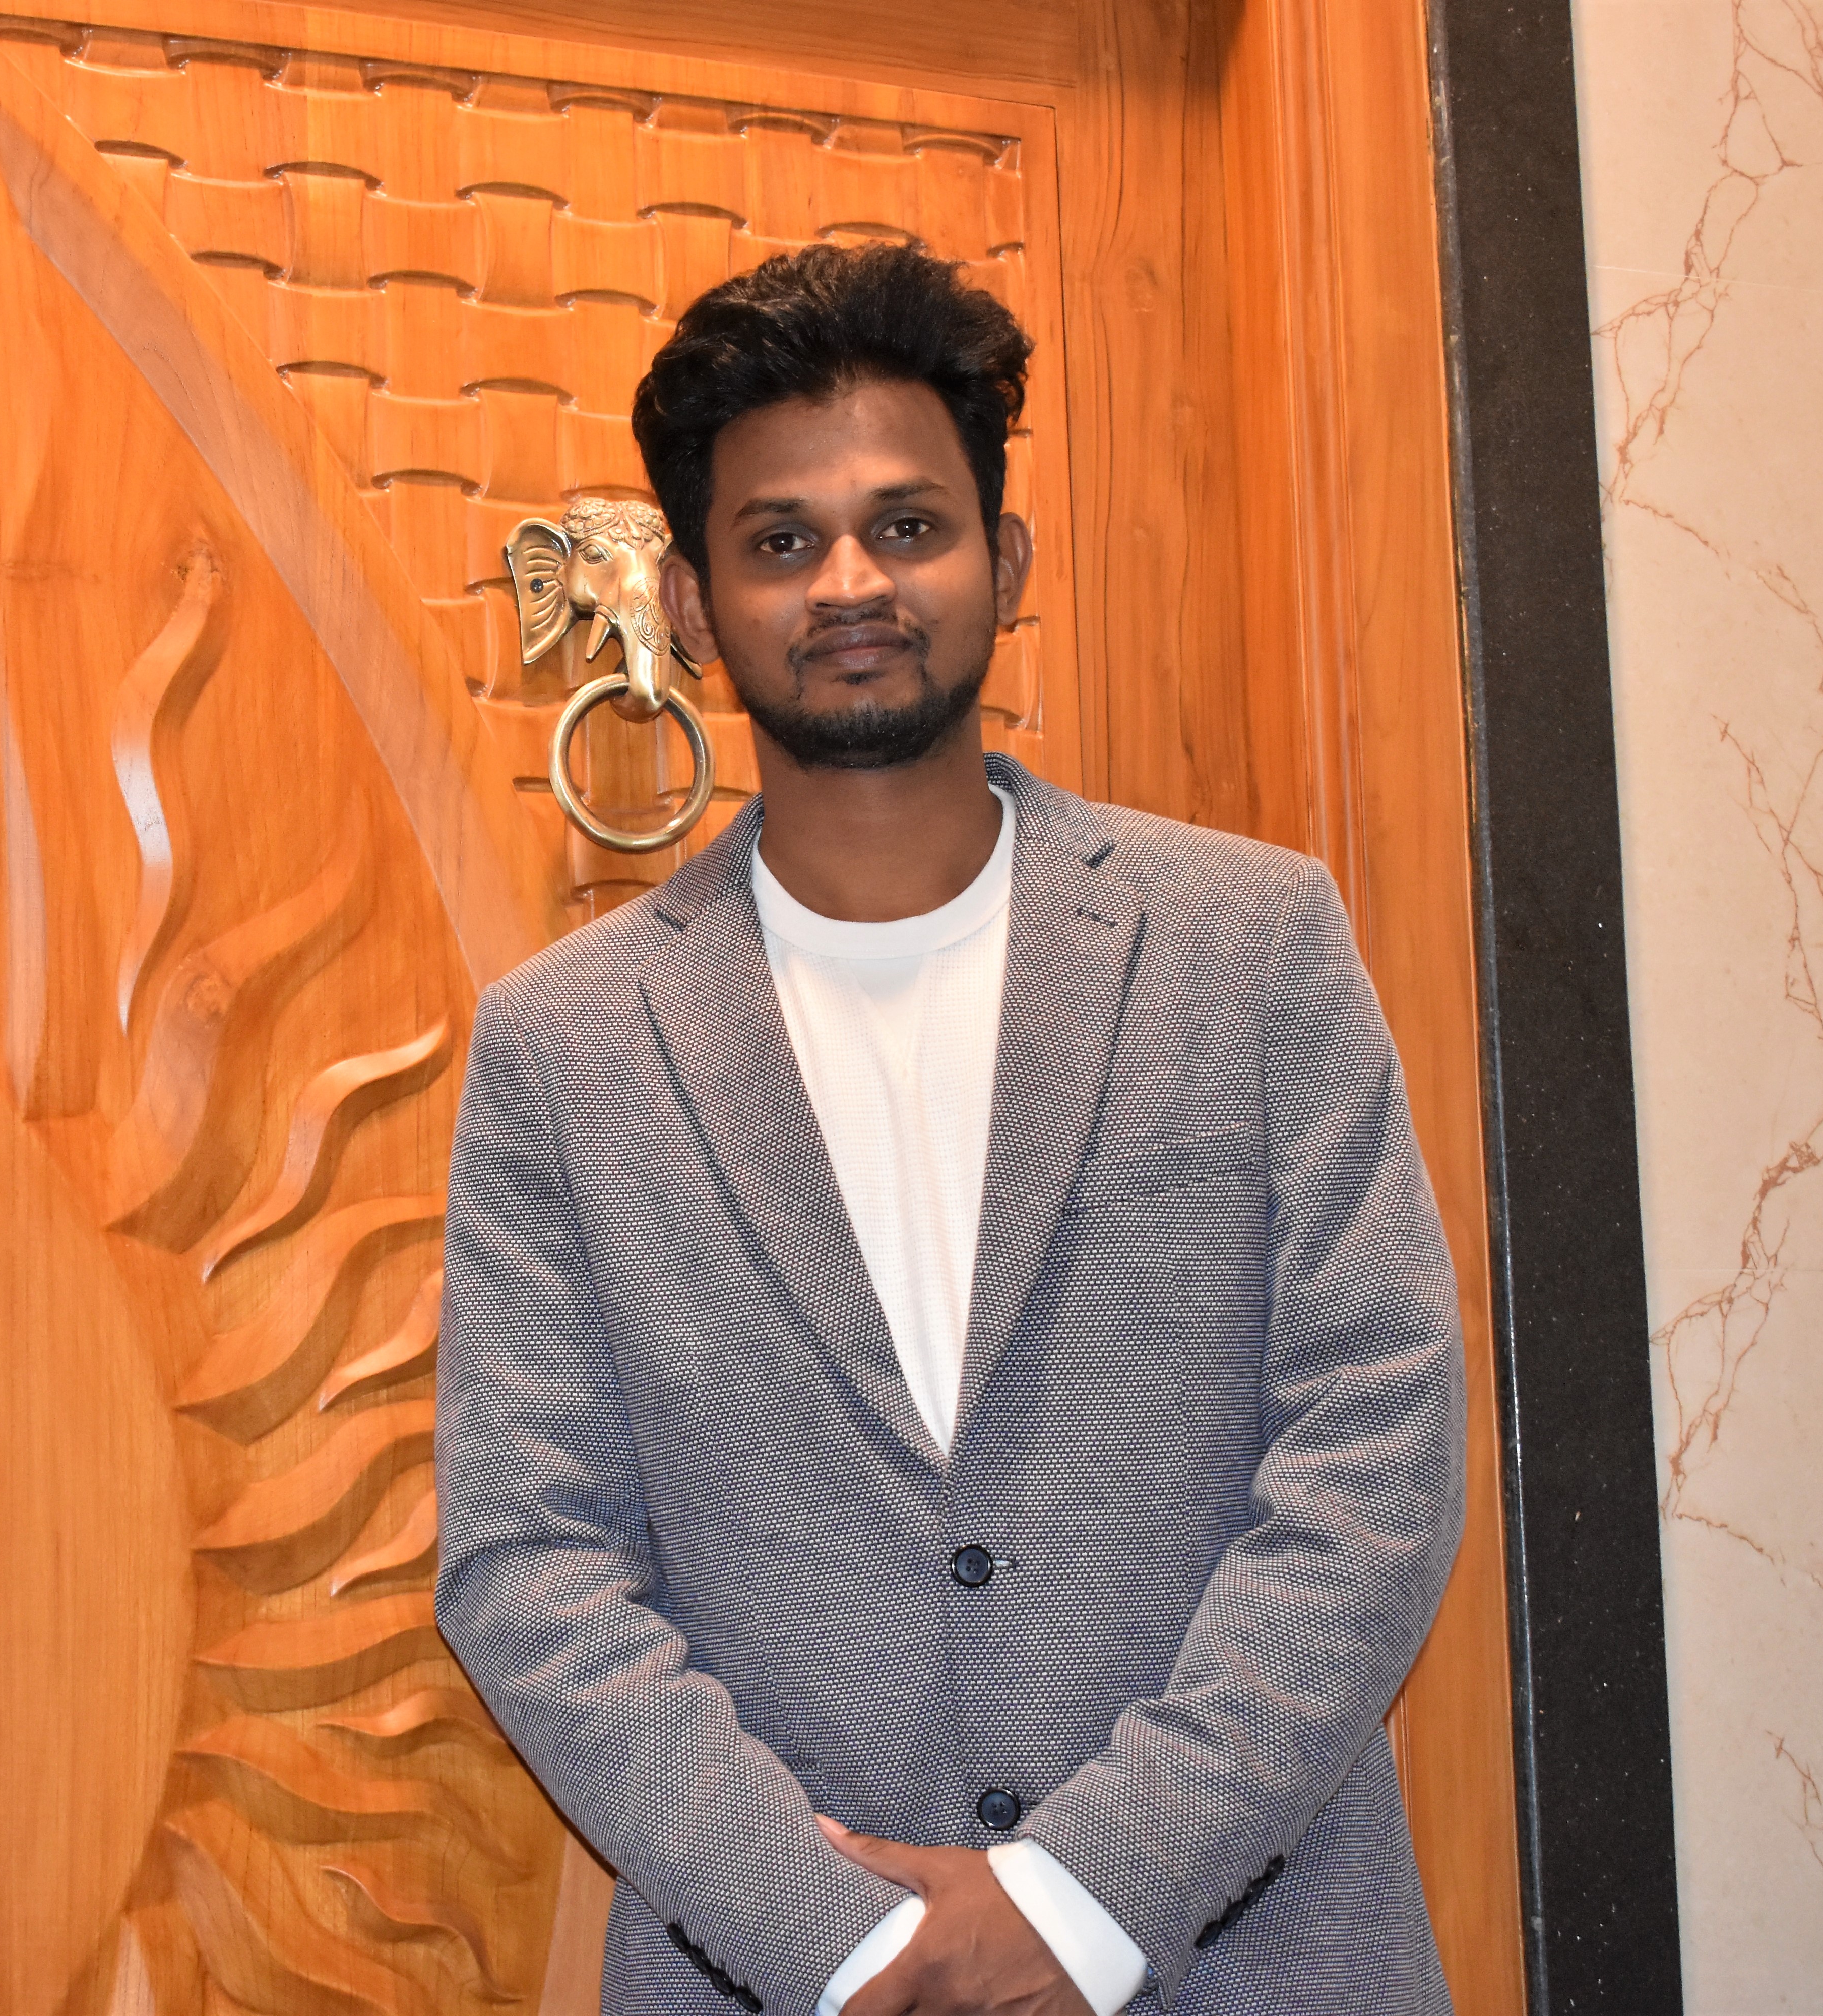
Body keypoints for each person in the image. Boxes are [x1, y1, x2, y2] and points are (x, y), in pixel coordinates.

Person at [432, 242, 1463, 2016]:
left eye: (908, 526)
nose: (851, 581)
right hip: (782, 1978)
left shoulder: (1251, 941)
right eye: (781, 542)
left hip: (1253, 1958)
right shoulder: (561, 1050)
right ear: (691, 606)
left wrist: (1088, 1897)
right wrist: (846, 1945)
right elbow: (533, 1564)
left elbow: (1377, 1440)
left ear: (1009, 563)